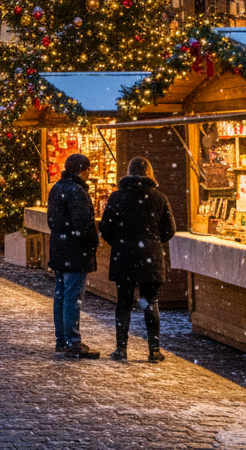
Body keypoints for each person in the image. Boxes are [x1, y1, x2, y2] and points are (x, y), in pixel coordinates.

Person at [99, 157, 176, 363]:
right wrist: (153, 241)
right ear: (149, 173)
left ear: (129, 172)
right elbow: (170, 229)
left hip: (124, 254)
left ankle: (121, 349)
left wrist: (119, 242)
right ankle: (154, 350)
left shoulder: (117, 197)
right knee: (151, 302)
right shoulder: (159, 197)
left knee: (123, 303)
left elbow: (106, 227)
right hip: (151, 256)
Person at [48, 153, 101, 359]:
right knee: (72, 296)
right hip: (75, 251)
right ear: (82, 170)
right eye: (88, 169)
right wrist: (93, 241)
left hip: (60, 248)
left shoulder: (58, 188)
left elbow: (53, 221)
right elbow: (82, 224)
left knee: (61, 294)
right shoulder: (77, 191)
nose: (89, 174)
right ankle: (72, 340)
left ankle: (63, 339)